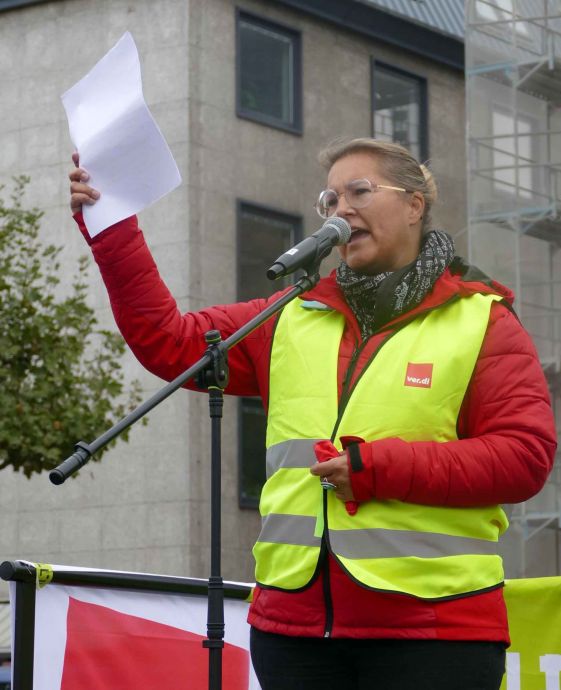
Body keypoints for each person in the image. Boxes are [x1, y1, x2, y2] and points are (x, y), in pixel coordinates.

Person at [69, 139, 556, 690]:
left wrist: (376, 469)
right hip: (293, 632)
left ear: (416, 205)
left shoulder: (483, 320)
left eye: (360, 192)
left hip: (433, 633)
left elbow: (525, 459)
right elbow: (171, 343)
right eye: (331, 198)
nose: (341, 209)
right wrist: (112, 228)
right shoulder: (288, 318)